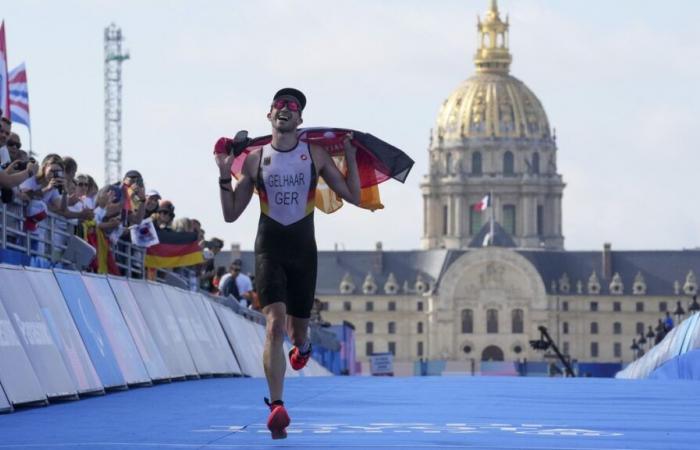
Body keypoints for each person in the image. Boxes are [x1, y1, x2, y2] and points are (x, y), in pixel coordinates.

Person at [215, 87, 360, 439]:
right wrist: (222, 172)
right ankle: (277, 405)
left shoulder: (315, 155)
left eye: (293, 107)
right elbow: (231, 214)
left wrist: (351, 157)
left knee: (296, 331)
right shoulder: (255, 159)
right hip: (270, 248)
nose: (285, 109)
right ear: (269, 115)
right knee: (274, 325)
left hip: (303, 251)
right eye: (279, 105)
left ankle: (303, 345)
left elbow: (353, 195)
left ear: (300, 119)